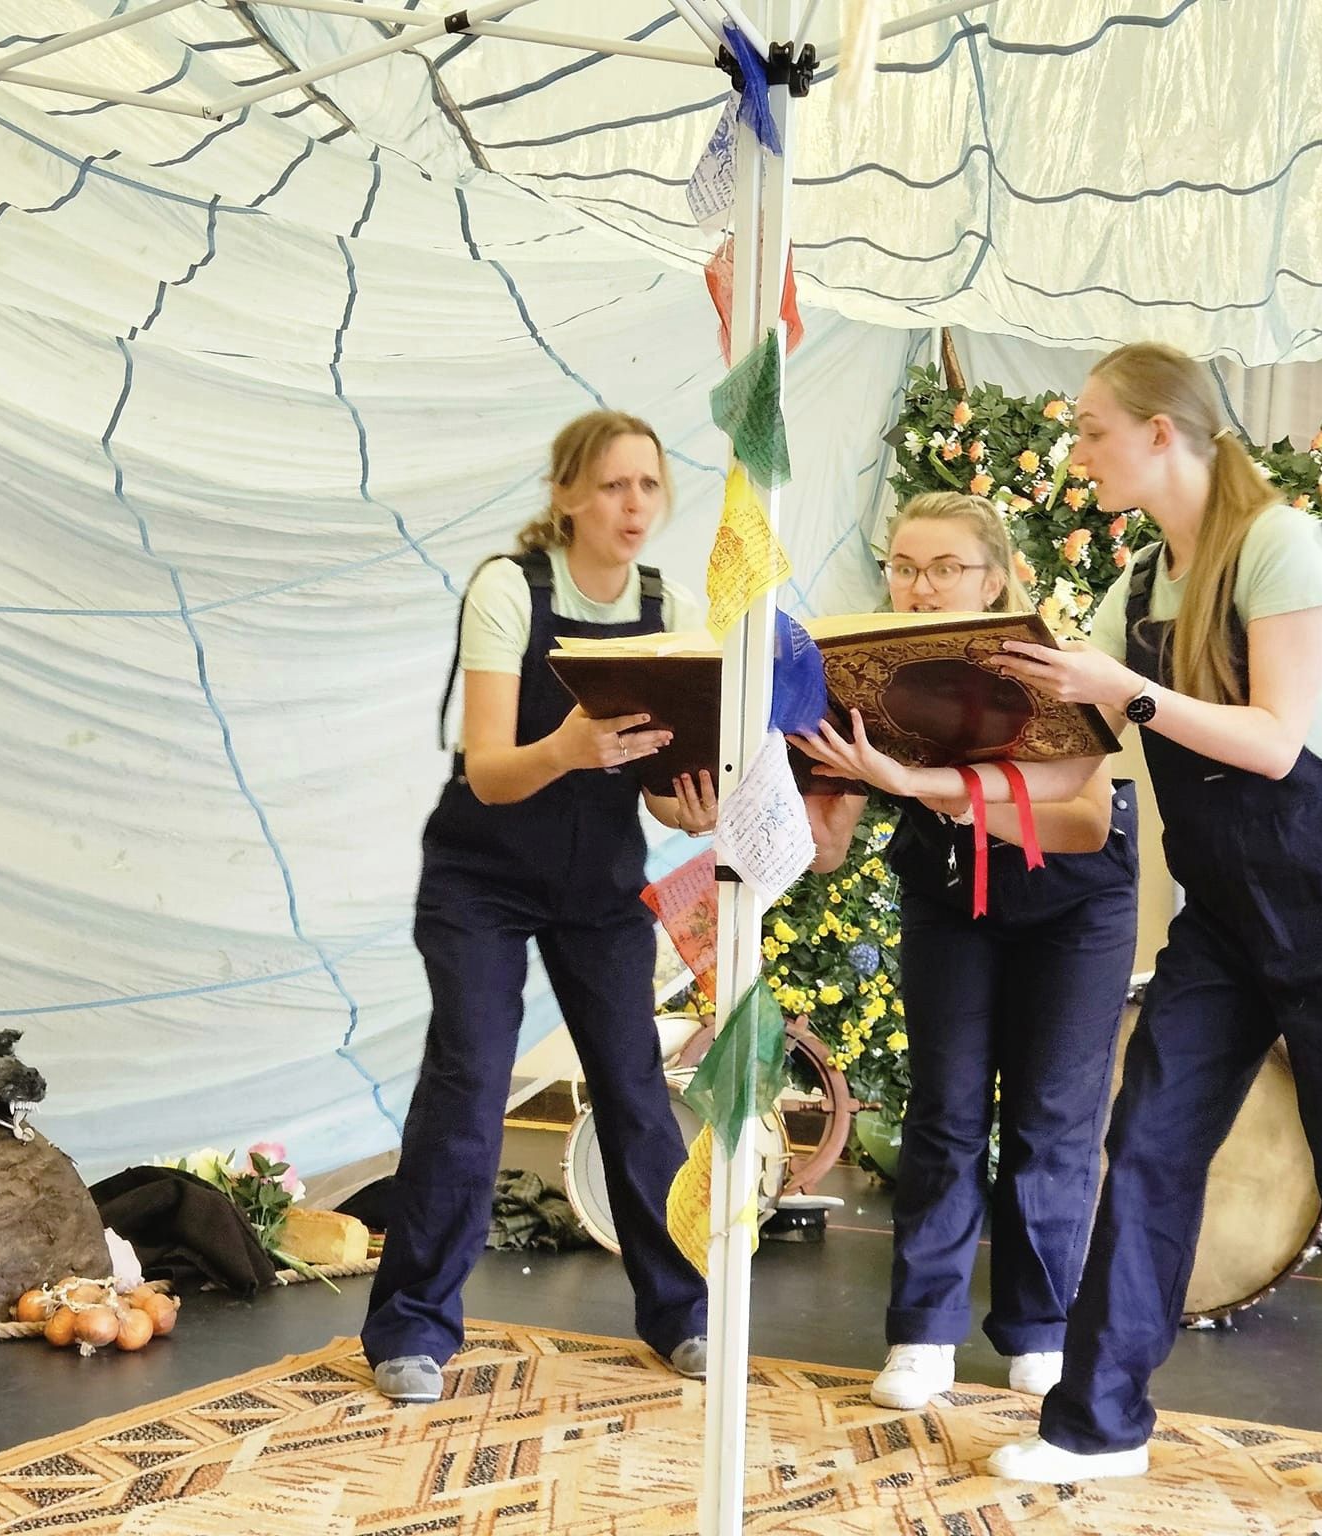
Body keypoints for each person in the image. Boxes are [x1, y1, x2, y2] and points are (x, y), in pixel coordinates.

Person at [976, 344, 1322, 1536]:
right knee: (1151, 1141)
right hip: (1225, 911)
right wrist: (920, 752)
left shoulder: (1278, 542)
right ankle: (1096, 1422)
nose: (1078, 452)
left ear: (1162, 434)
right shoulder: (1136, 587)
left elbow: (1277, 741)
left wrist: (1117, 688)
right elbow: (1078, 756)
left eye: (1090, 431)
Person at [363, 410, 717, 1405]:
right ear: (565, 497)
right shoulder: (506, 590)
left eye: (647, 485)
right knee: (471, 1081)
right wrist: (564, 748)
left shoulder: (669, 603)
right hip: (481, 873)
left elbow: (656, 781)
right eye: (611, 486)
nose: (634, 505)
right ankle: (412, 1328)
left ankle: (681, 1315)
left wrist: (682, 805)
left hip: (597, 880)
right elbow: (485, 772)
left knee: (636, 1089)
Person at [802, 492, 1139, 1408]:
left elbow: (1079, 817)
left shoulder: (1047, 664)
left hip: (1073, 901)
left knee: (1052, 1118)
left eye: (945, 568)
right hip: (948, 890)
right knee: (945, 1112)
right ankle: (921, 1334)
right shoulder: (864, 667)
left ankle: (1040, 1329)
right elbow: (828, 840)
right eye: (905, 567)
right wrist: (744, 802)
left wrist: (935, 788)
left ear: (995, 578)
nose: (919, 586)